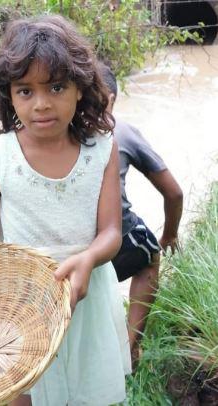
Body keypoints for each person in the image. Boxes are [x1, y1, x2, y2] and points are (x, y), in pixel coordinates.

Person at [0, 15, 131, 406]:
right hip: (22, 302)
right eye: (25, 91)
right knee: (24, 394)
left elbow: (111, 233)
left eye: (56, 87)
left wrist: (88, 258)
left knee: (87, 390)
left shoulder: (101, 151)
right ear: (8, 94)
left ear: (80, 89)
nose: (41, 104)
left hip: (85, 296)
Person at [100, 63, 183, 366]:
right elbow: (174, 192)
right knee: (149, 253)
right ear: (109, 99)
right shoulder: (121, 130)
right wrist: (170, 233)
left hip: (67, 251)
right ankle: (130, 345)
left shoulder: (56, 133)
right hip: (115, 243)